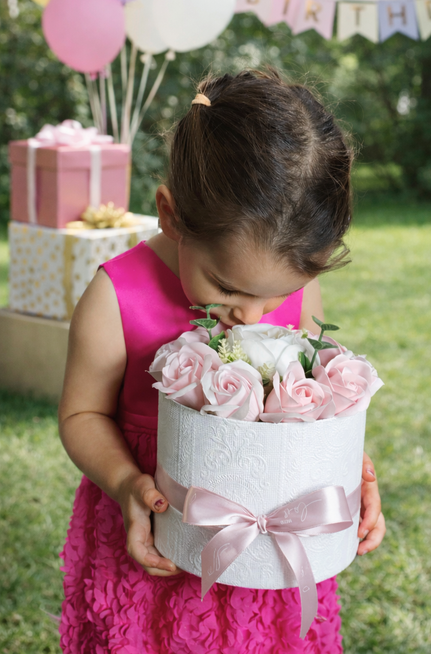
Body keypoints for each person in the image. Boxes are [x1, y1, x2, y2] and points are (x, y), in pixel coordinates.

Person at [58, 69, 386, 653]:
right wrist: (128, 483)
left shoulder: (291, 291)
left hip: (270, 549)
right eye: (228, 289)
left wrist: (344, 469)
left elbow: (312, 400)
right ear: (171, 215)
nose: (255, 316)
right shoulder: (117, 298)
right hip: (155, 538)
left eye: (277, 295)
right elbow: (82, 415)